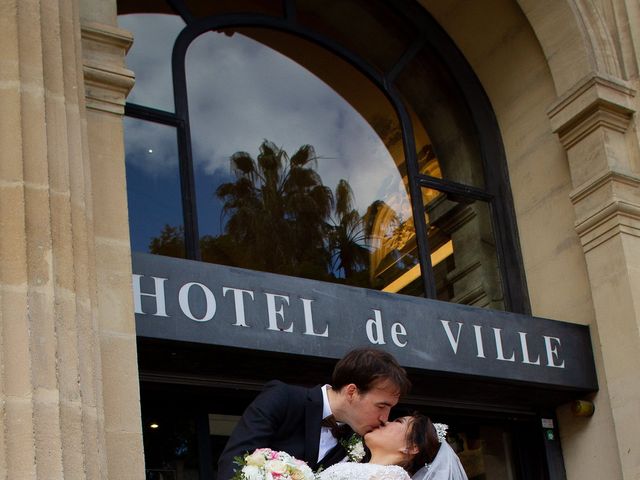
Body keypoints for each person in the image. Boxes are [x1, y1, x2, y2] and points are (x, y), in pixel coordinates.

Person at [216, 347, 411, 480]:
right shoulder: (283, 399)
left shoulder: (364, 445)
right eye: (381, 406)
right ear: (352, 392)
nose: (385, 418)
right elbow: (233, 464)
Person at [318, 414, 468, 480]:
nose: (385, 422)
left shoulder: (393, 477)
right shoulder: (351, 465)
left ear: (411, 447)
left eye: (398, 421)